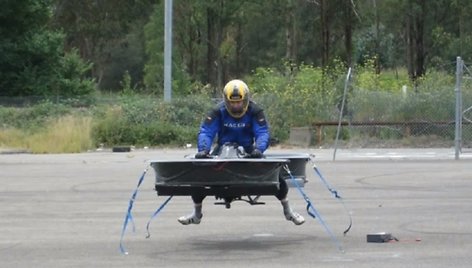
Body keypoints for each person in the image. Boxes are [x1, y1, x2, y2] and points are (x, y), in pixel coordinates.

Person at [178, 79, 305, 226]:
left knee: (275, 176)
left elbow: (262, 132)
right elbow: (206, 131)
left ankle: (288, 211)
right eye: (232, 103)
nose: (236, 106)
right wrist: (203, 150)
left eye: (239, 102)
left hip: (248, 151)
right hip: (222, 150)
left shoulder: (255, 111)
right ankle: (196, 214)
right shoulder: (217, 111)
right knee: (199, 176)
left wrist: (259, 149)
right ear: (226, 100)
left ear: (245, 100)